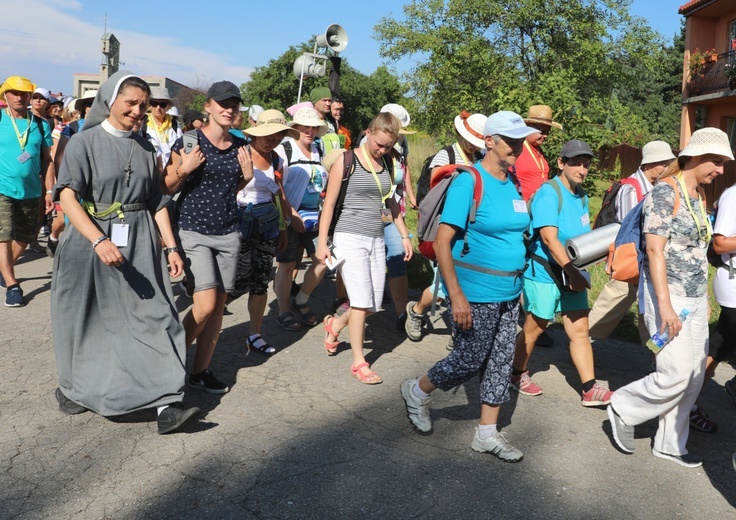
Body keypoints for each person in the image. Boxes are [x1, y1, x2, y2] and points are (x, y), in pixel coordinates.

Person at [51, 70, 200, 434]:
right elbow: (67, 196)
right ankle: (78, 387)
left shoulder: (147, 147)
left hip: (139, 242)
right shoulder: (84, 143)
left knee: (158, 315)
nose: (137, 110)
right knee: (87, 320)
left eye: (143, 105)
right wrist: (98, 240)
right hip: (90, 242)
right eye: (131, 103)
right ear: (110, 101)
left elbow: (157, 201)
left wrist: (171, 247)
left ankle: (167, 402)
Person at [400, 111, 536, 462]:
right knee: (468, 359)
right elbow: (444, 241)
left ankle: (487, 434)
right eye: (511, 141)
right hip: (475, 292)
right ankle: (416, 391)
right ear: (489, 141)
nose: (518, 148)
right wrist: (455, 294)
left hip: (510, 293)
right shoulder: (468, 182)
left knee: (501, 362)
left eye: (521, 141)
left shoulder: (514, 183)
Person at [607, 127, 733, 468]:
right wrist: (663, 306)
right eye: (718, 162)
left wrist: (704, 297)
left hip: (693, 298)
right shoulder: (665, 192)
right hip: (667, 297)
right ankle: (623, 406)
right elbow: (654, 251)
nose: (721, 170)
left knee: (693, 375)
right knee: (675, 372)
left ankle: (670, 443)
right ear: (695, 157)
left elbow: (694, 251)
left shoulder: (697, 195)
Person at [163, 80, 255, 394]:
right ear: (209, 106)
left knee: (218, 308)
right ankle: (169, 364)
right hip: (193, 231)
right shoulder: (189, 142)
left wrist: (246, 179)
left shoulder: (242, 145)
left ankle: (199, 371)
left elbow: (230, 191)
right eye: (223, 104)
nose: (229, 109)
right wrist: (184, 169)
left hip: (228, 233)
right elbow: (165, 189)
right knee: (204, 305)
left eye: (234, 105)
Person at [512, 139, 614, 407]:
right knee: (535, 328)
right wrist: (572, 270)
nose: (582, 169)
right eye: (576, 163)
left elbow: (580, 236)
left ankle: (590, 388)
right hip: (545, 273)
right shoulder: (549, 193)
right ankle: (516, 373)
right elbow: (548, 238)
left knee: (580, 329)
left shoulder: (580, 195)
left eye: (586, 164)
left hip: (572, 273)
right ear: (561, 163)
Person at [316, 112, 412, 384]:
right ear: (368, 132)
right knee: (360, 303)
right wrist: (322, 242)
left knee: (372, 304)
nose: (382, 150)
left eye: (388, 146)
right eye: (379, 144)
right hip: (349, 236)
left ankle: (334, 325)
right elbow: (330, 204)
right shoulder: (346, 160)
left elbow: (391, 203)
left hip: (376, 238)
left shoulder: (389, 162)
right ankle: (360, 362)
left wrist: (404, 235)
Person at [405, 111, 487, 344]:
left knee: (464, 281)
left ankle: (459, 332)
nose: (475, 146)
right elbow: (437, 192)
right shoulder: (446, 155)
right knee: (442, 284)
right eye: (473, 141)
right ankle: (417, 311)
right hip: (446, 226)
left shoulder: (480, 157)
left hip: (470, 229)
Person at [588, 141, 676, 342]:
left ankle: (658, 357)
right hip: (632, 262)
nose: (666, 169)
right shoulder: (631, 188)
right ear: (648, 165)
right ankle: (580, 346)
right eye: (663, 164)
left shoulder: (655, 188)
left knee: (651, 313)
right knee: (607, 310)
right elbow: (630, 228)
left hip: (647, 261)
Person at [231, 109, 295, 355]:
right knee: (234, 282)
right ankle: (207, 324)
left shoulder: (277, 159)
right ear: (257, 132)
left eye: (279, 135)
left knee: (260, 282)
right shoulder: (240, 154)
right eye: (269, 135)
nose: (274, 140)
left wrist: (283, 227)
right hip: (238, 225)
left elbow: (278, 193)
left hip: (266, 226)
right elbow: (226, 191)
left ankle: (255, 334)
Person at [0, 76, 55, 306]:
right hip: (2, 189)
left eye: (24, 93)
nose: (19, 97)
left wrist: (49, 191)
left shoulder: (40, 124)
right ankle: (12, 285)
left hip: (32, 191)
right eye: (14, 92)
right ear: (5, 95)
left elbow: (47, 160)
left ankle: (4, 269)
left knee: (25, 237)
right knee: (4, 235)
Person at [273, 107, 329, 331]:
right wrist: (290, 213)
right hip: (289, 217)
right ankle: (283, 310)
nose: (310, 130)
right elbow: (276, 185)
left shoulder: (318, 149)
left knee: (325, 259)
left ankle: (301, 299)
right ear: (295, 128)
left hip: (315, 217)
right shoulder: (283, 149)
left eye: (314, 127)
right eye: (306, 126)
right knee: (286, 265)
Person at [514, 105, 561, 202]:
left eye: (548, 132)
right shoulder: (517, 148)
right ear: (528, 127)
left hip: (539, 206)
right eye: (542, 132)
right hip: (524, 206)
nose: (545, 136)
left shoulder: (539, 150)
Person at [143, 87, 182, 168]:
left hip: (172, 170)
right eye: (154, 103)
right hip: (150, 169)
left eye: (162, 104)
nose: (158, 108)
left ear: (168, 106)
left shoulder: (174, 124)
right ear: (149, 105)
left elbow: (181, 148)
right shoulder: (143, 122)